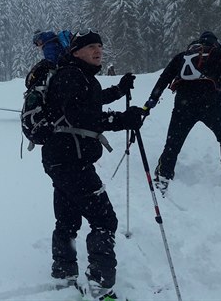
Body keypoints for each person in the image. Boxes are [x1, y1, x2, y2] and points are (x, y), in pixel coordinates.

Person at [41, 29, 144, 299]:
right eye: (91, 47)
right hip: (70, 161)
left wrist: (119, 90)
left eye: (100, 45)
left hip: (62, 159)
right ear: (76, 52)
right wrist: (122, 120)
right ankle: (100, 285)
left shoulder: (78, 76)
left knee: (67, 217)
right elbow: (80, 116)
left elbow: (91, 100)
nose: (98, 50)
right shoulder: (71, 77)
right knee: (104, 219)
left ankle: (64, 272)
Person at [144, 31, 221, 193]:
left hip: (183, 106)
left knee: (173, 142)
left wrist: (151, 101)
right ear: (215, 44)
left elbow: (164, 78)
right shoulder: (220, 54)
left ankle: (164, 174)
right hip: (211, 106)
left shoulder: (182, 56)